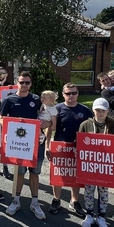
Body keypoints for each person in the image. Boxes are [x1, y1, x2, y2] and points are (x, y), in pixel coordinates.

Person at [0, 71, 50, 218]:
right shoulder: (9, 100)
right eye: (21, 82)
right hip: (18, 143)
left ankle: (35, 203)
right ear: (17, 82)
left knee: (34, 173)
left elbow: (48, 119)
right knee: (20, 173)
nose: (24, 85)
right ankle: (16, 201)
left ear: (31, 84)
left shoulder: (36, 99)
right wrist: (13, 124)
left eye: (27, 83)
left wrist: (44, 124)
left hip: (36, 143)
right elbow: (1, 118)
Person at [77, 99, 114, 227]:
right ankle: (89, 214)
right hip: (89, 166)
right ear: (93, 110)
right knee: (88, 191)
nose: (100, 113)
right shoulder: (85, 125)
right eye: (97, 110)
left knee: (103, 192)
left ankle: (102, 217)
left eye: (103, 110)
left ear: (108, 111)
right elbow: (79, 143)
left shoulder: (113, 127)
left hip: (105, 167)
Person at [49, 83, 92, 215]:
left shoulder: (85, 110)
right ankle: (56, 199)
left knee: (75, 175)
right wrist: (47, 145)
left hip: (78, 147)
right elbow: (50, 128)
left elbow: (91, 129)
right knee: (59, 174)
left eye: (74, 93)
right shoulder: (56, 109)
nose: (71, 96)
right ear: (63, 94)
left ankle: (74, 201)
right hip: (60, 146)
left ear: (78, 94)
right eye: (68, 93)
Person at [0, 67, 14, 178]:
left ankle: (5, 166)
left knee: (5, 142)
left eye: (2, 73)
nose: (0, 76)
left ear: (6, 74)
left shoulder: (12, 86)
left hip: (6, 117)